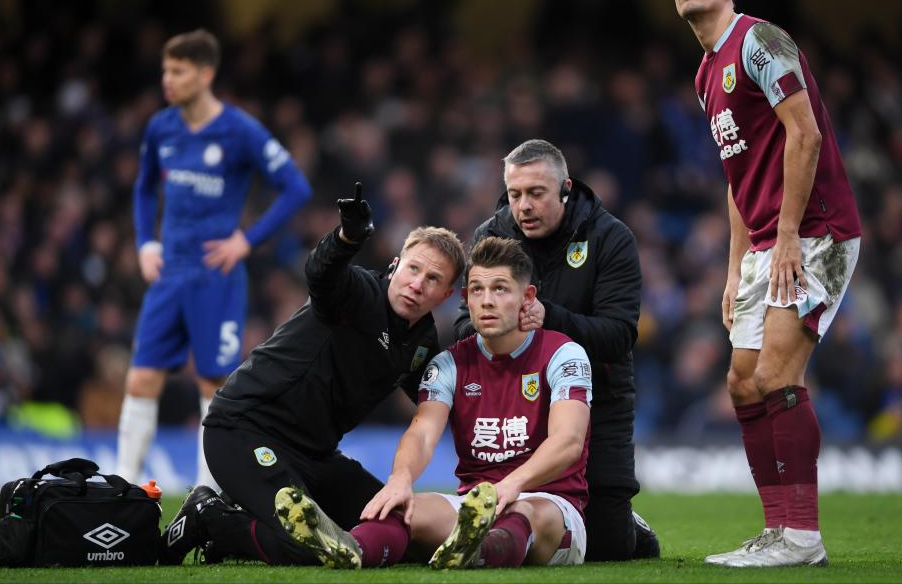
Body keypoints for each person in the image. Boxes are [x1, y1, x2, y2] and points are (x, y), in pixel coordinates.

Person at [668, 0, 862, 567]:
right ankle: (776, 532)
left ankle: (803, 538)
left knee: (778, 376)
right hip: (763, 242)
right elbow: (737, 177)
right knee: (742, 384)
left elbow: (803, 133)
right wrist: (733, 269)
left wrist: (784, 237)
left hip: (816, 232)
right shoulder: (705, 76)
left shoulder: (760, 40)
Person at [158, 182, 466, 566]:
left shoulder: (421, 343)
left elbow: (445, 405)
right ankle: (212, 518)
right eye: (413, 268)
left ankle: (234, 530)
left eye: (433, 279)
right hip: (244, 430)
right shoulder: (356, 294)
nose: (417, 284)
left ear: (447, 295)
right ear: (395, 265)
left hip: (315, 457)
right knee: (313, 544)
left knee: (391, 525)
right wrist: (347, 238)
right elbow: (321, 273)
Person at [275, 236, 592, 570]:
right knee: (403, 509)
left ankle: (479, 552)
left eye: (500, 289)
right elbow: (423, 432)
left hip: (553, 510)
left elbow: (567, 442)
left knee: (521, 511)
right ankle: (350, 548)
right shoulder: (448, 365)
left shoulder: (562, 354)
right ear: (465, 298)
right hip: (474, 507)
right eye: (478, 291)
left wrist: (510, 485)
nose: (487, 301)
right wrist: (400, 479)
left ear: (526, 297)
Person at [116, 29, 312, 491]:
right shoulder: (161, 127)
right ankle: (123, 485)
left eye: (178, 70)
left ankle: (209, 491)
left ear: (205, 74)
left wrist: (247, 240)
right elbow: (144, 187)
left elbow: (295, 187)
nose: (168, 79)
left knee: (213, 384)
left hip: (215, 277)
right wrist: (146, 242)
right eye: (166, 70)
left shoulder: (239, 130)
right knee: (141, 377)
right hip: (169, 273)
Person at [454, 139, 658, 561]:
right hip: (514, 404)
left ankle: (626, 523)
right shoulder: (491, 235)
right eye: (515, 195)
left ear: (565, 188)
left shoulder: (611, 238)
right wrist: (503, 327)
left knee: (607, 547)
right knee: (513, 512)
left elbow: (619, 336)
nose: (523, 206)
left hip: (598, 400)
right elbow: (462, 324)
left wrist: (551, 319)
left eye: (536, 193)